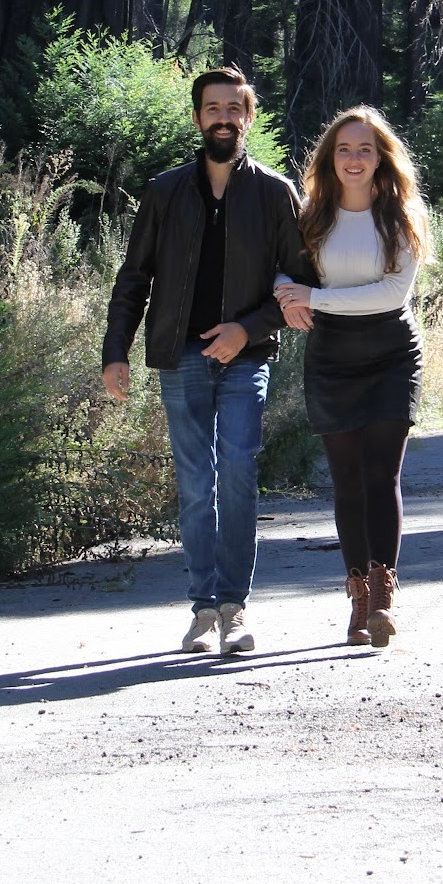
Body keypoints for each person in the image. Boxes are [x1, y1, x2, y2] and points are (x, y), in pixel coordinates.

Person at [102, 67, 312, 656]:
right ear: (198, 118)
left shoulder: (275, 193)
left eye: (233, 108)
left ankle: (235, 609)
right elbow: (134, 277)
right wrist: (114, 349)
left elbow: (303, 282)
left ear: (248, 118)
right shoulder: (164, 192)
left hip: (246, 358)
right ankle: (202, 608)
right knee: (197, 484)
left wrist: (246, 330)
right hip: (182, 357)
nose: (223, 118)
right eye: (212, 108)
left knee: (238, 472)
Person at [275, 106, 430, 649]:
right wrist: (284, 290)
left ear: (381, 157)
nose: (355, 159)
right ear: (330, 158)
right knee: (345, 478)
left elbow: (393, 293)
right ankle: (358, 599)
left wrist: (314, 297)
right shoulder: (312, 214)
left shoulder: (403, 217)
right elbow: (282, 266)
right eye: (344, 149)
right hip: (332, 358)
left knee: (380, 474)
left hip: (391, 353)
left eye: (365, 149)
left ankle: (384, 597)